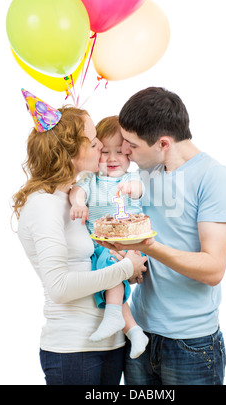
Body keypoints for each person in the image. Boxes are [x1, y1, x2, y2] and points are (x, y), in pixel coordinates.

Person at [97, 87, 226, 385]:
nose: (125, 150)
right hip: (140, 334)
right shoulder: (146, 173)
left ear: (163, 143)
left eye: (132, 145)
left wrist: (148, 246)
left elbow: (213, 269)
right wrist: (130, 259)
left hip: (191, 345)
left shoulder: (214, 178)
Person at [12, 90, 147, 385]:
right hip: (74, 349)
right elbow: (60, 287)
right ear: (71, 150)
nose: (100, 145)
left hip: (111, 345)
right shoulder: (43, 204)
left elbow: (92, 263)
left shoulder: (74, 199)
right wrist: (125, 269)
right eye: (93, 139)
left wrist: (128, 266)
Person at [69, 116, 149, 359]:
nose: (112, 158)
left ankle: (113, 315)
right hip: (100, 244)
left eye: (119, 152)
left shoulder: (130, 178)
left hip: (130, 242)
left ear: (129, 154)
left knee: (112, 269)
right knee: (109, 277)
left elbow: (140, 190)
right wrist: (79, 203)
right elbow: (76, 191)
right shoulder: (91, 179)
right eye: (104, 151)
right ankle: (134, 331)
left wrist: (130, 190)